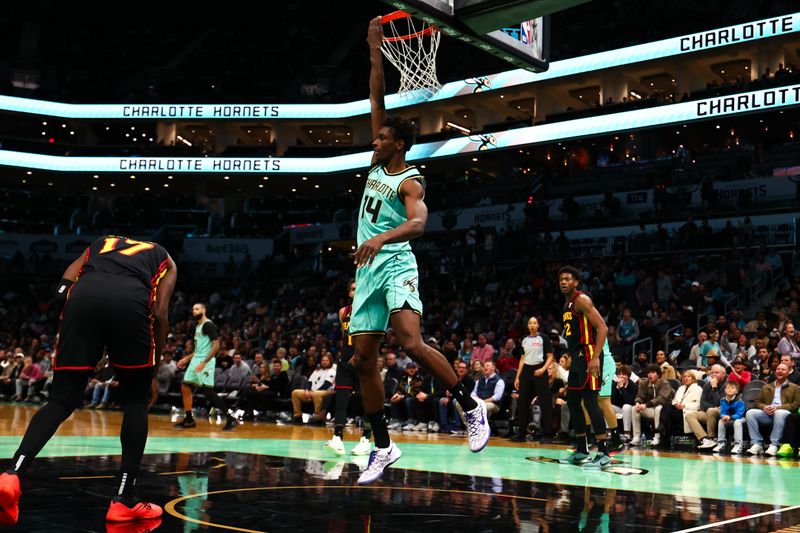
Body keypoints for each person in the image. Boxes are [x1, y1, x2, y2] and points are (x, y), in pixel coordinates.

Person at [349, 17, 490, 486]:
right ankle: (384, 446)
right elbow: (376, 96)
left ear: (400, 144)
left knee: (410, 341)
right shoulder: (375, 158)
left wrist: (379, 238)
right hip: (368, 270)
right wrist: (374, 50)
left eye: (383, 137)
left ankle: (470, 404)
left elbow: (418, 224)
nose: (376, 139)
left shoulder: (410, 179)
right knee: (361, 360)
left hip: (394, 262)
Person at [0, 235, 177, 525]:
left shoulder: (100, 243)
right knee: (136, 400)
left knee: (60, 400)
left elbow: (62, 288)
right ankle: (124, 500)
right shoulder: (165, 258)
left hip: (82, 300)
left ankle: (12, 474)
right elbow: (159, 313)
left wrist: (72, 317)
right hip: (130, 303)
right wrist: (152, 373)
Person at [558, 265, 610, 467]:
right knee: (572, 401)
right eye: (561, 279)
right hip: (577, 356)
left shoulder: (581, 299)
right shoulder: (567, 305)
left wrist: (595, 357)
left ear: (576, 282)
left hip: (589, 354)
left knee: (590, 402)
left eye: (568, 279)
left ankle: (604, 452)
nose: (564, 282)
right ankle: (581, 450)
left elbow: (602, 327)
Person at [324, 279, 373, 456]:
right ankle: (337, 438)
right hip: (345, 361)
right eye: (353, 289)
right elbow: (345, 336)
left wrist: (359, 355)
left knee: (366, 401)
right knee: (341, 399)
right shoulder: (343, 312)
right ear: (349, 293)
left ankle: (366, 439)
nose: (356, 291)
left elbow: (371, 338)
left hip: (363, 361)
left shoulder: (369, 310)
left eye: (358, 288)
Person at [174, 303, 238, 431]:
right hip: (196, 361)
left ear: (204, 310)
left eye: (197, 309)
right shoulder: (198, 326)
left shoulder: (208, 324)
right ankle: (189, 419)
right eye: (193, 309)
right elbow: (198, 350)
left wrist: (204, 362)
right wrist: (186, 359)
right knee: (185, 387)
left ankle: (231, 417)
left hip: (205, 362)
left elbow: (216, 345)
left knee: (208, 393)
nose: (194, 311)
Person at [513, 316, 554, 443]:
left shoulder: (544, 338)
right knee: (523, 403)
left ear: (538, 326)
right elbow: (522, 359)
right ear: (527, 326)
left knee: (545, 403)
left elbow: (550, 356)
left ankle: (547, 434)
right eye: (530, 323)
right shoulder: (524, 340)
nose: (532, 325)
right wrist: (517, 377)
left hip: (539, 370)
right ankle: (521, 434)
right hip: (526, 371)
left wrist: (543, 369)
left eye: (534, 323)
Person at [745, 363, 800, 456]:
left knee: (779, 413)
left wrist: (777, 408)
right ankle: (756, 443)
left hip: (784, 414)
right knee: (750, 413)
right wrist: (764, 407)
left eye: (783, 369)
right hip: (768, 413)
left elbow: (796, 405)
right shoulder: (766, 386)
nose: (780, 371)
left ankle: (774, 444)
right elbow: (757, 402)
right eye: (778, 369)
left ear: (788, 373)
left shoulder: (795, 388)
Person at [713, 381, 745, 454]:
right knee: (721, 421)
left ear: (736, 391)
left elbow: (740, 414)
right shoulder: (723, 400)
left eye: (732, 388)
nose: (730, 389)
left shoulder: (740, 401)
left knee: (737, 422)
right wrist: (723, 416)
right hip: (729, 418)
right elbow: (722, 412)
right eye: (727, 388)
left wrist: (730, 417)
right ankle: (721, 443)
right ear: (724, 390)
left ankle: (738, 444)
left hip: (740, 418)